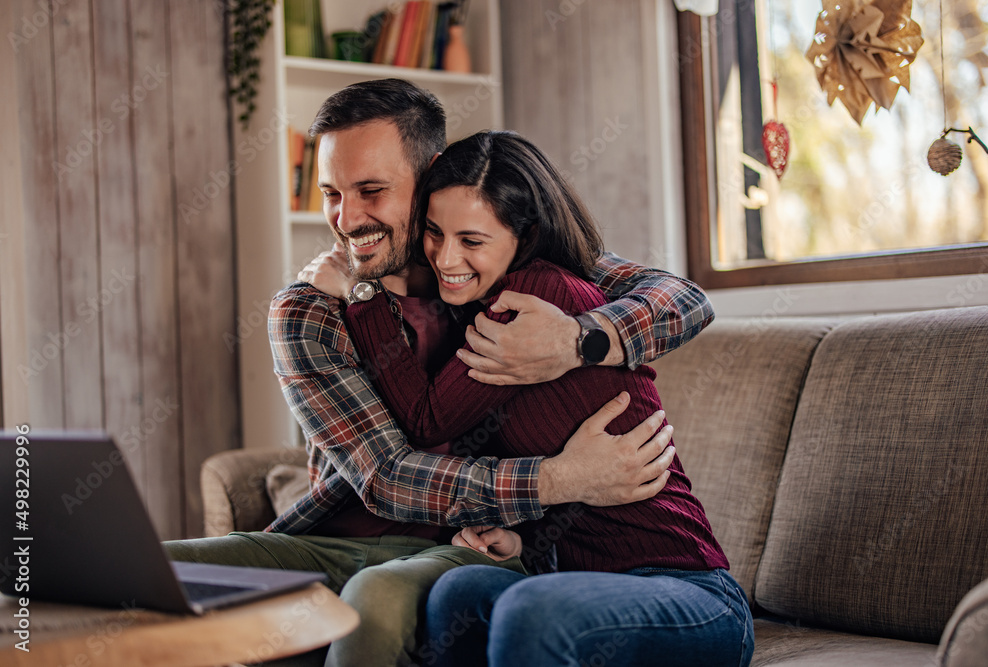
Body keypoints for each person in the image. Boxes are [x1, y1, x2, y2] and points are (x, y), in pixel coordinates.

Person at [166, 79, 715, 667]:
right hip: (337, 541)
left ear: (429, 176)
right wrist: (558, 480)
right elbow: (386, 477)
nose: (346, 219)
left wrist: (578, 340)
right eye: (331, 193)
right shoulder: (309, 309)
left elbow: (682, 298)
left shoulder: (491, 265)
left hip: (467, 549)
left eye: (370, 191)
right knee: (161, 572)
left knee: (375, 599)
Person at [339, 130, 753, 667]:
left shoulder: (532, 301)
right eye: (435, 234)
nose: (444, 257)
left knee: (531, 608)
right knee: (455, 594)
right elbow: (551, 464)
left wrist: (363, 291)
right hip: (579, 586)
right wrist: (522, 543)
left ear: (524, 236)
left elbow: (424, 418)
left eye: (472, 240)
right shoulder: (482, 309)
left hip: (692, 595)